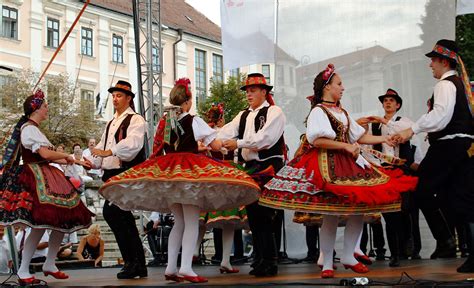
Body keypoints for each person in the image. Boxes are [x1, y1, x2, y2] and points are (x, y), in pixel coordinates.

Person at [259, 64, 418, 279]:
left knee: (359, 208)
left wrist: (384, 138)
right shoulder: (319, 111)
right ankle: (327, 261)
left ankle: (347, 255)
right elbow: (317, 139)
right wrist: (344, 146)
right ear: (327, 87)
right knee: (331, 215)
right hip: (327, 163)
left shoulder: (341, 111)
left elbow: (359, 136)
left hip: (347, 162)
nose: (343, 88)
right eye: (339, 84)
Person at [98, 78, 260, 283]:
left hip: (171, 174)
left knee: (180, 223)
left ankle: (171, 267)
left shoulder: (167, 122)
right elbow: (216, 143)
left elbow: (161, 147)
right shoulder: (194, 120)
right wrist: (228, 145)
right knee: (191, 221)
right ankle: (185, 268)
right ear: (188, 101)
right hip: (189, 174)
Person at [395, 39, 474, 272]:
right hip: (463, 146)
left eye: (432, 61)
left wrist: (412, 128)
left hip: (448, 147)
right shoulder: (459, 84)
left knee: (420, 191)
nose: (430, 65)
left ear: (442, 61)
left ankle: (446, 240)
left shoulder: (445, 84)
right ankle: (460, 248)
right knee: (461, 198)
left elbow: (440, 116)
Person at [0, 90, 93, 285]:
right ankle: (24, 269)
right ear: (35, 109)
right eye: (45, 106)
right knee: (41, 223)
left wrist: (74, 160)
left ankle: (49, 263)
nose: (47, 110)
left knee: (61, 220)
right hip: (36, 176)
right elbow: (45, 154)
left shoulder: (34, 129)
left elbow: (49, 155)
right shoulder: (29, 129)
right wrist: (70, 157)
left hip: (47, 175)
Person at [217, 73, 286, 277]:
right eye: (247, 91)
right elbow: (226, 131)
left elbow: (265, 139)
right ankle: (260, 258)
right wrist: (211, 140)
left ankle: (270, 260)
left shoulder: (274, 112)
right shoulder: (243, 115)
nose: (249, 94)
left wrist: (237, 143)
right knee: (254, 215)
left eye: (253, 90)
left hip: (268, 167)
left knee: (265, 214)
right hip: (251, 168)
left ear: (264, 92)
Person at [89, 80, 148, 279]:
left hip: (125, 173)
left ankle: (133, 262)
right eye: (113, 95)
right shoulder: (111, 122)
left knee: (113, 213)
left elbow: (133, 145)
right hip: (112, 175)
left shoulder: (136, 120)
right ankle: (137, 263)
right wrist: (90, 160)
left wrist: (109, 151)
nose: (114, 99)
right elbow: (101, 146)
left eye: (119, 95)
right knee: (122, 217)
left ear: (129, 98)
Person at [360, 88, 424, 267]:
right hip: (383, 172)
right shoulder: (374, 126)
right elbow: (366, 147)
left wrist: (384, 121)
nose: (387, 102)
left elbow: (407, 134)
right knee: (389, 213)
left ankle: (409, 245)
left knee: (405, 211)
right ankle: (395, 253)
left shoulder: (403, 122)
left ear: (398, 105)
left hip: (401, 171)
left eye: (391, 100)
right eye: (385, 100)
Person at [194, 104, 246, 274]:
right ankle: (225, 260)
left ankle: (194, 250)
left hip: (209, 173)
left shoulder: (205, 134)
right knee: (230, 219)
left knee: (202, 214)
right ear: (222, 118)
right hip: (227, 174)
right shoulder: (227, 131)